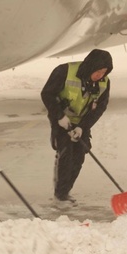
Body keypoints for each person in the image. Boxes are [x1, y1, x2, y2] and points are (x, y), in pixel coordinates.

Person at [41, 49, 113, 202]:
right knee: (66, 154)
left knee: (79, 156)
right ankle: (61, 195)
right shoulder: (64, 72)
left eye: (104, 72)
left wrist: (83, 127)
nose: (100, 75)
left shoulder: (104, 83)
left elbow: (100, 107)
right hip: (61, 119)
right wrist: (59, 116)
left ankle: (66, 190)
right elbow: (47, 94)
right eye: (98, 71)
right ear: (91, 66)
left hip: (82, 122)